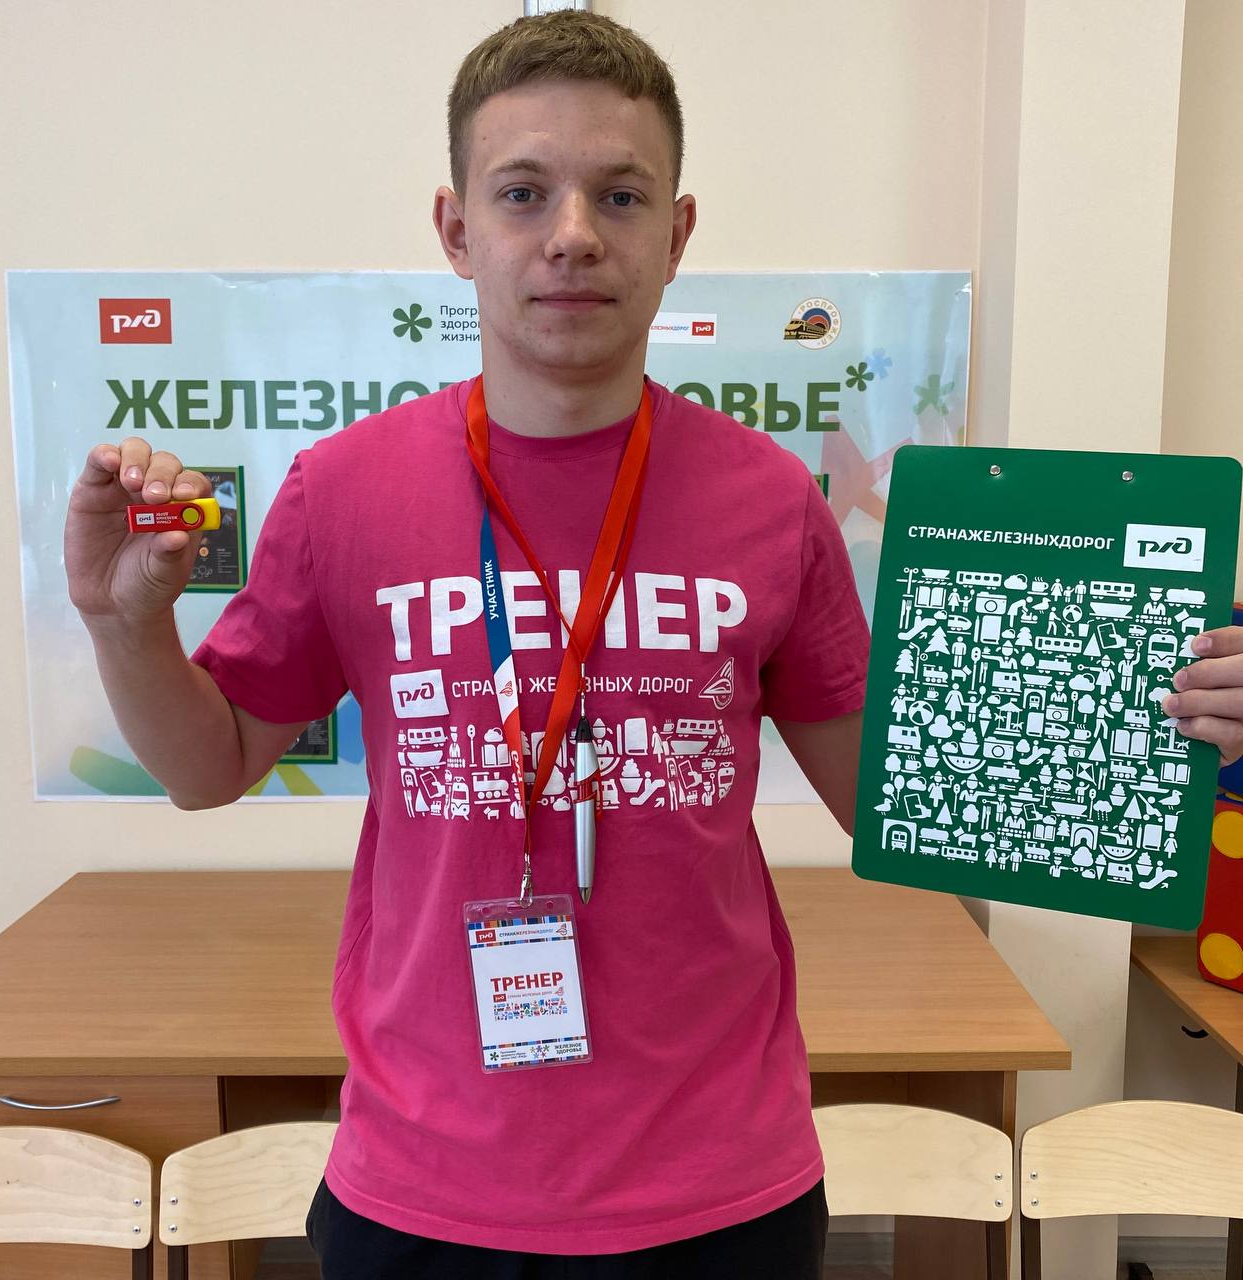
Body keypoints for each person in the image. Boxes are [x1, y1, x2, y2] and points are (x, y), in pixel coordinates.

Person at [62, 10, 1243, 1280]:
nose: (572, 232)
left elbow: (890, 797)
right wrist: (123, 624)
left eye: (618, 195)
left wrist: (1159, 712)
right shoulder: (341, 490)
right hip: (425, 1185)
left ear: (675, 235)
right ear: (456, 229)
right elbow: (208, 764)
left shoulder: (767, 498)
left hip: (717, 1190)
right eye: (522, 191)